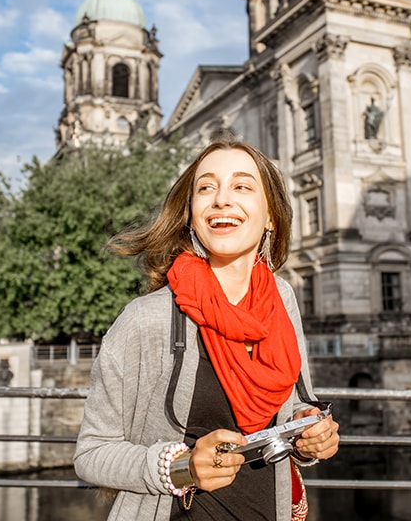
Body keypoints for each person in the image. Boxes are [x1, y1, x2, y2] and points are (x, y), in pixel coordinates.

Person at [74, 130, 340, 521]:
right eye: (206, 188)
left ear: (270, 216)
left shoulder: (281, 299)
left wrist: (308, 432)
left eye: (242, 186)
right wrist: (183, 468)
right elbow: (92, 454)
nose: (221, 199)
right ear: (193, 215)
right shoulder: (145, 319)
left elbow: (295, 402)